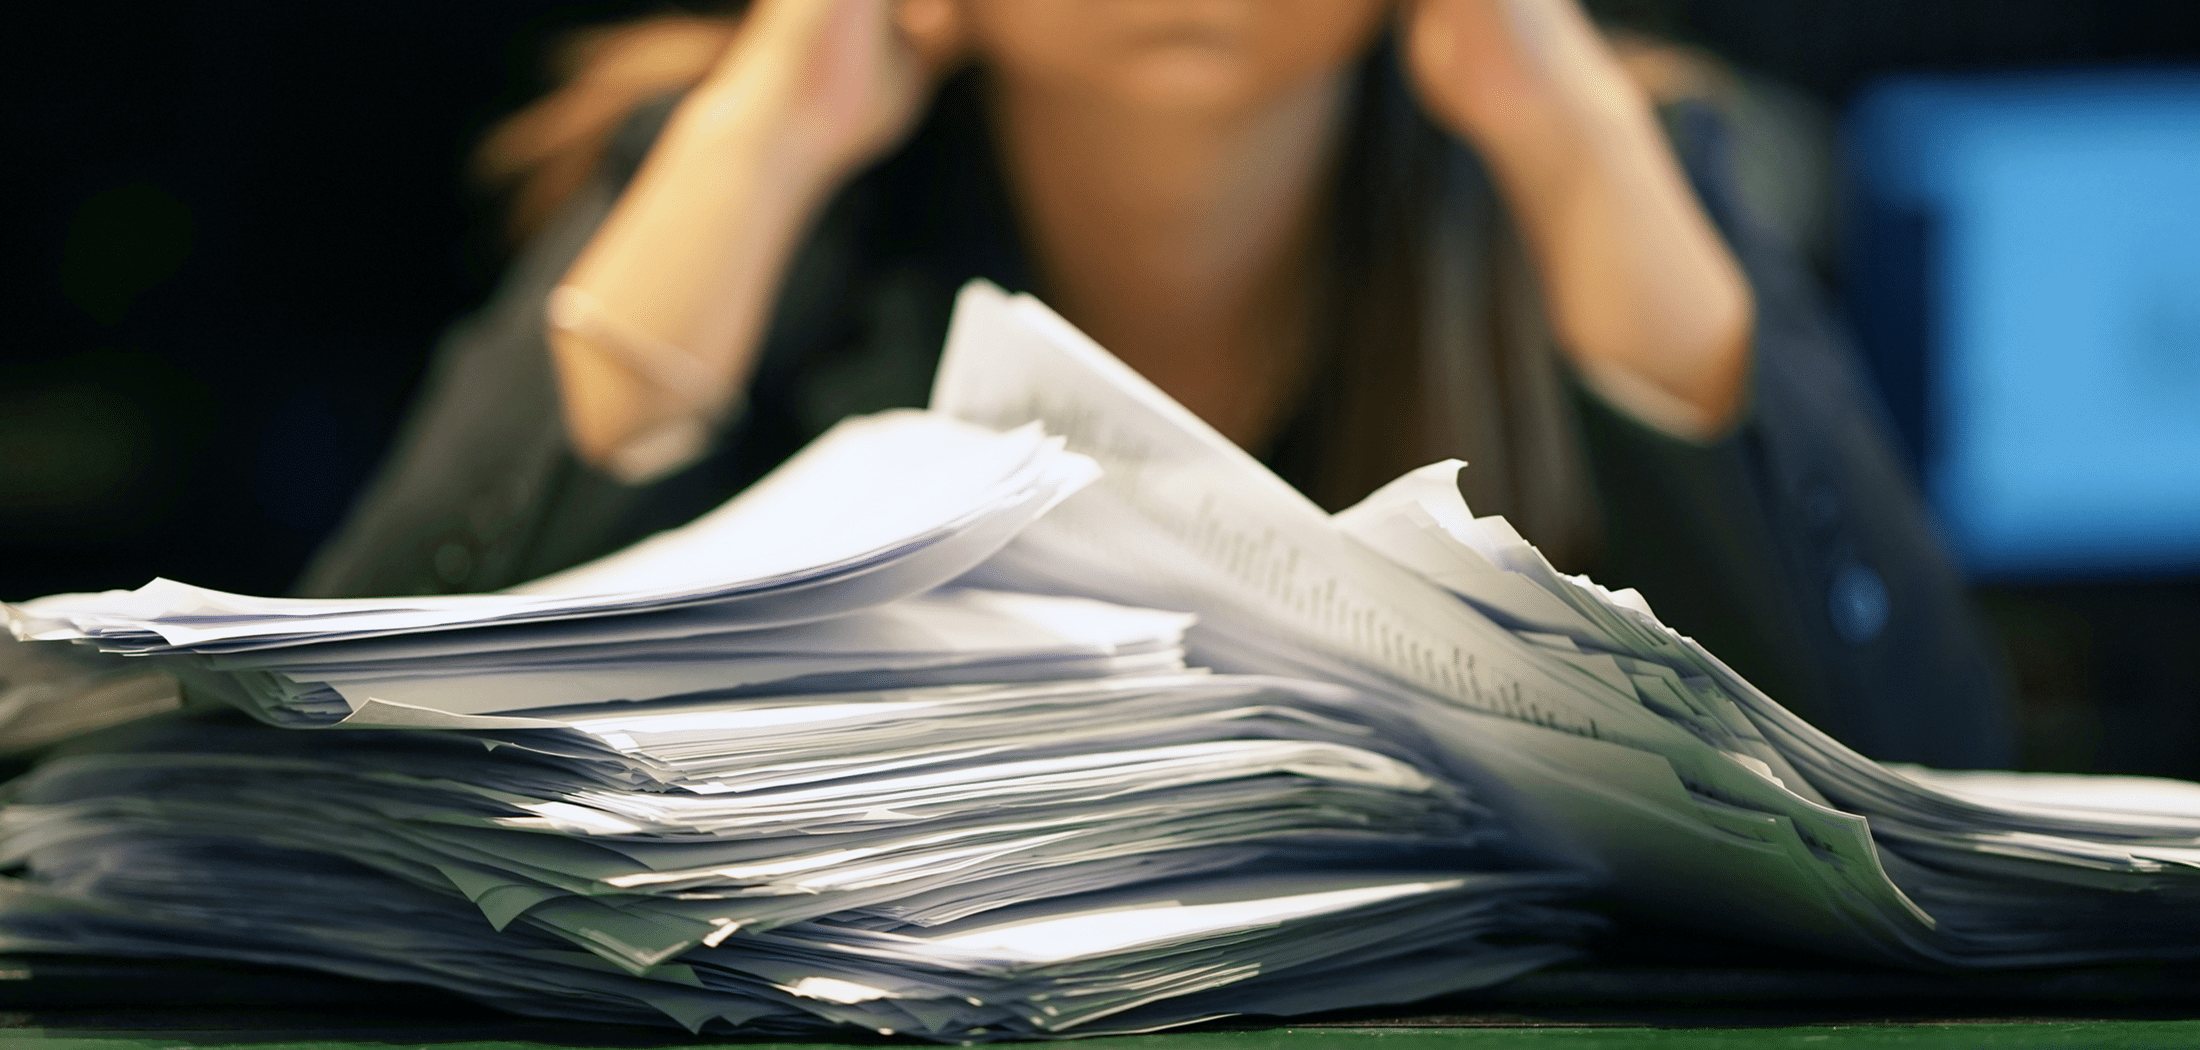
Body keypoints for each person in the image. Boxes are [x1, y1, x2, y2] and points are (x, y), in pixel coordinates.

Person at [298, 0, 2013, 767]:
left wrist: (1559, 119)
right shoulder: (748, 163)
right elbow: (323, 726)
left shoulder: (1586, 154)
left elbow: (1921, 765)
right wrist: (766, 129)